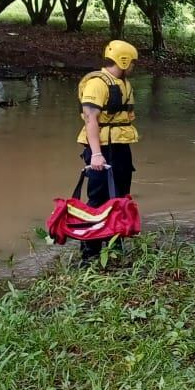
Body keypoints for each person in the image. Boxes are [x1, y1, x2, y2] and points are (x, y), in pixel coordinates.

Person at [77, 40, 140, 264]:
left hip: (120, 146)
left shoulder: (122, 83)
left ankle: (114, 246)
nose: (133, 66)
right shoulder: (98, 83)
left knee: (120, 197)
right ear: (123, 61)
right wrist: (96, 154)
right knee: (98, 199)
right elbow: (90, 119)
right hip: (102, 149)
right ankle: (90, 252)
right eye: (132, 62)